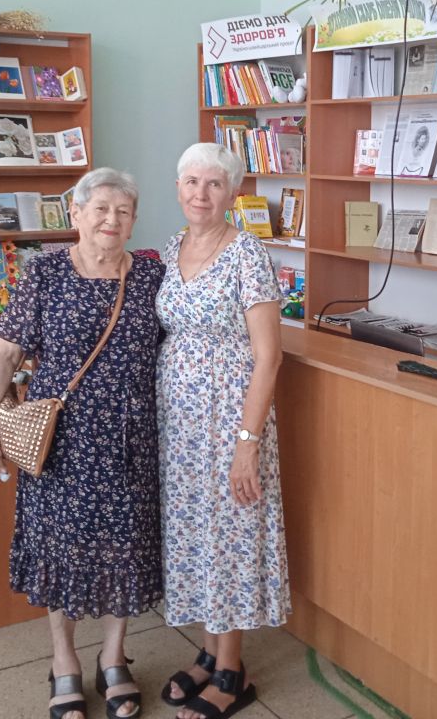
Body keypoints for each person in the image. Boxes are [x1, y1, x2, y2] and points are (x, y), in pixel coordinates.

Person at [0, 168, 165, 719]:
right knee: (61, 550)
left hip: (132, 441)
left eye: (123, 211)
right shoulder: (46, 273)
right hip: (62, 444)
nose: (111, 220)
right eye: (100, 208)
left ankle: (113, 656)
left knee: (125, 549)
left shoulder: (151, 276)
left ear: (134, 220)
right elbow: (5, 354)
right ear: (75, 214)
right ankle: (64, 661)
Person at [156, 142, 289, 719]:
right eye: (192, 182)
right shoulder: (171, 247)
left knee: (229, 533)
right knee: (196, 532)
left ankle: (233, 672)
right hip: (180, 425)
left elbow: (269, 357)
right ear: (178, 188)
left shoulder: (247, 253)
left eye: (214, 184)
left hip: (231, 420)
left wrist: (247, 445)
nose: (201, 194)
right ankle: (210, 655)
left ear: (233, 193)